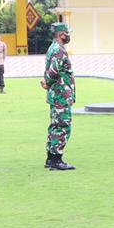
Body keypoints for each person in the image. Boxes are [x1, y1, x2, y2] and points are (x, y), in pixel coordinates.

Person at [41, 23, 76, 170]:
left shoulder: (52, 48)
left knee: (55, 125)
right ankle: (56, 160)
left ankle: (50, 158)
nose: (68, 36)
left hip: (56, 94)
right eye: (67, 33)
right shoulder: (59, 50)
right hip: (60, 94)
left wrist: (47, 82)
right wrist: (47, 82)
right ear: (62, 34)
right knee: (62, 126)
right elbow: (54, 70)